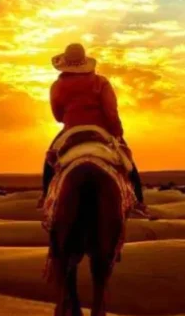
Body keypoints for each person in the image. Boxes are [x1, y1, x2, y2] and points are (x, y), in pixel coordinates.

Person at [39, 43, 146, 214]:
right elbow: (111, 111)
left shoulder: (56, 86)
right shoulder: (101, 82)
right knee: (128, 162)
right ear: (84, 61)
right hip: (101, 128)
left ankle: (46, 197)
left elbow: (58, 116)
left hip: (71, 129)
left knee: (49, 161)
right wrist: (117, 133)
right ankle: (139, 201)